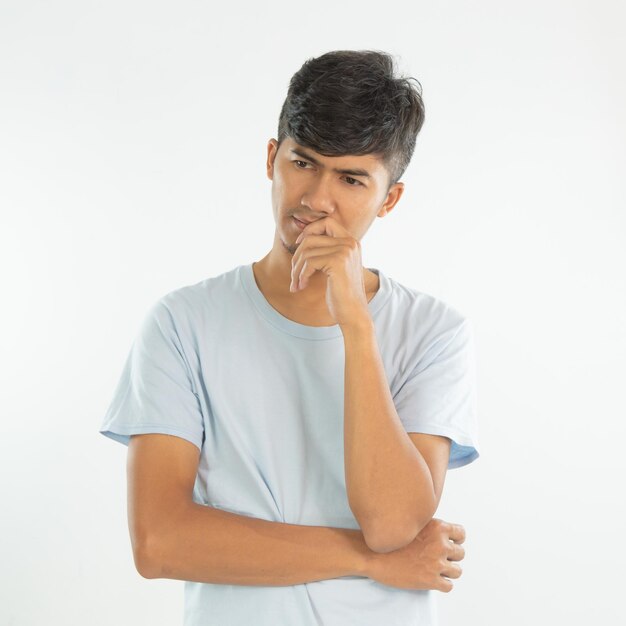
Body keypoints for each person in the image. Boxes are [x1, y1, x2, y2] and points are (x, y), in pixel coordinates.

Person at [99, 49, 480, 626]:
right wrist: (370, 562)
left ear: (390, 198)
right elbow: (159, 542)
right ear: (272, 158)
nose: (316, 199)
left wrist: (354, 321)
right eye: (304, 163)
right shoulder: (182, 323)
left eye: (352, 178)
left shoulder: (434, 331)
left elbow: (394, 524)